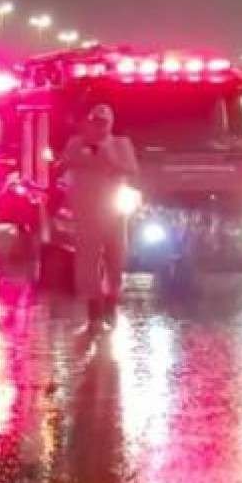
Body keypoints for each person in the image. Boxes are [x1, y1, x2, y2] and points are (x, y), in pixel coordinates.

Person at [57, 102, 139, 325]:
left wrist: (107, 154)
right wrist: (82, 152)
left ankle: (111, 299)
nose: (100, 128)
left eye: (104, 123)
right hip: (87, 211)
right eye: (95, 123)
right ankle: (93, 306)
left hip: (113, 211)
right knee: (87, 260)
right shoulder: (76, 144)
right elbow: (63, 165)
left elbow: (131, 169)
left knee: (116, 257)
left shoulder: (121, 144)